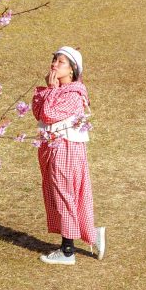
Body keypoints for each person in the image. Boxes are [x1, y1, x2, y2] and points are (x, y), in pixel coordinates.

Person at [33, 46, 104, 265]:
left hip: (65, 147)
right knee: (61, 194)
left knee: (65, 194)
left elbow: (49, 114)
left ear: (72, 70)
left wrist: (52, 89)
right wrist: (50, 88)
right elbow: (37, 110)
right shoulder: (57, 90)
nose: (54, 64)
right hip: (53, 146)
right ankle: (91, 233)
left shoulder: (73, 93)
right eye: (54, 59)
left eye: (61, 62)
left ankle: (67, 251)